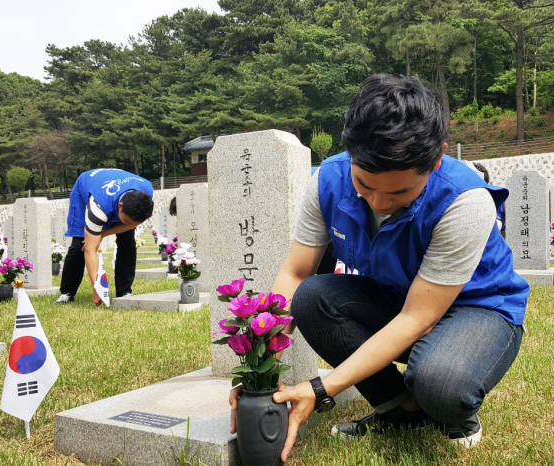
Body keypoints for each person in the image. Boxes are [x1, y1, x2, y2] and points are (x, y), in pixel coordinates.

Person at [228, 74, 529, 461]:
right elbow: (296, 273)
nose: (378, 203)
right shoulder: (328, 181)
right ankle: (401, 408)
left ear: (437, 159)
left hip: (477, 308)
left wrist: (321, 388)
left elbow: (417, 318)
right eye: (364, 185)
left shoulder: (465, 201)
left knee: (439, 382)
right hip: (397, 299)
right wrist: (261, 364)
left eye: (399, 192)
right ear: (350, 155)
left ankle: (449, 408)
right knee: (313, 298)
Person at [56, 168, 154, 306]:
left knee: (127, 241)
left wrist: (103, 233)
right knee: (80, 243)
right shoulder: (98, 206)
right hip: (87, 187)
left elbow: (131, 225)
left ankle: (124, 291)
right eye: (127, 222)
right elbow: (91, 250)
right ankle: (67, 292)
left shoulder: (146, 192)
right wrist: (97, 288)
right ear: (120, 206)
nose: (130, 225)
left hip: (117, 184)